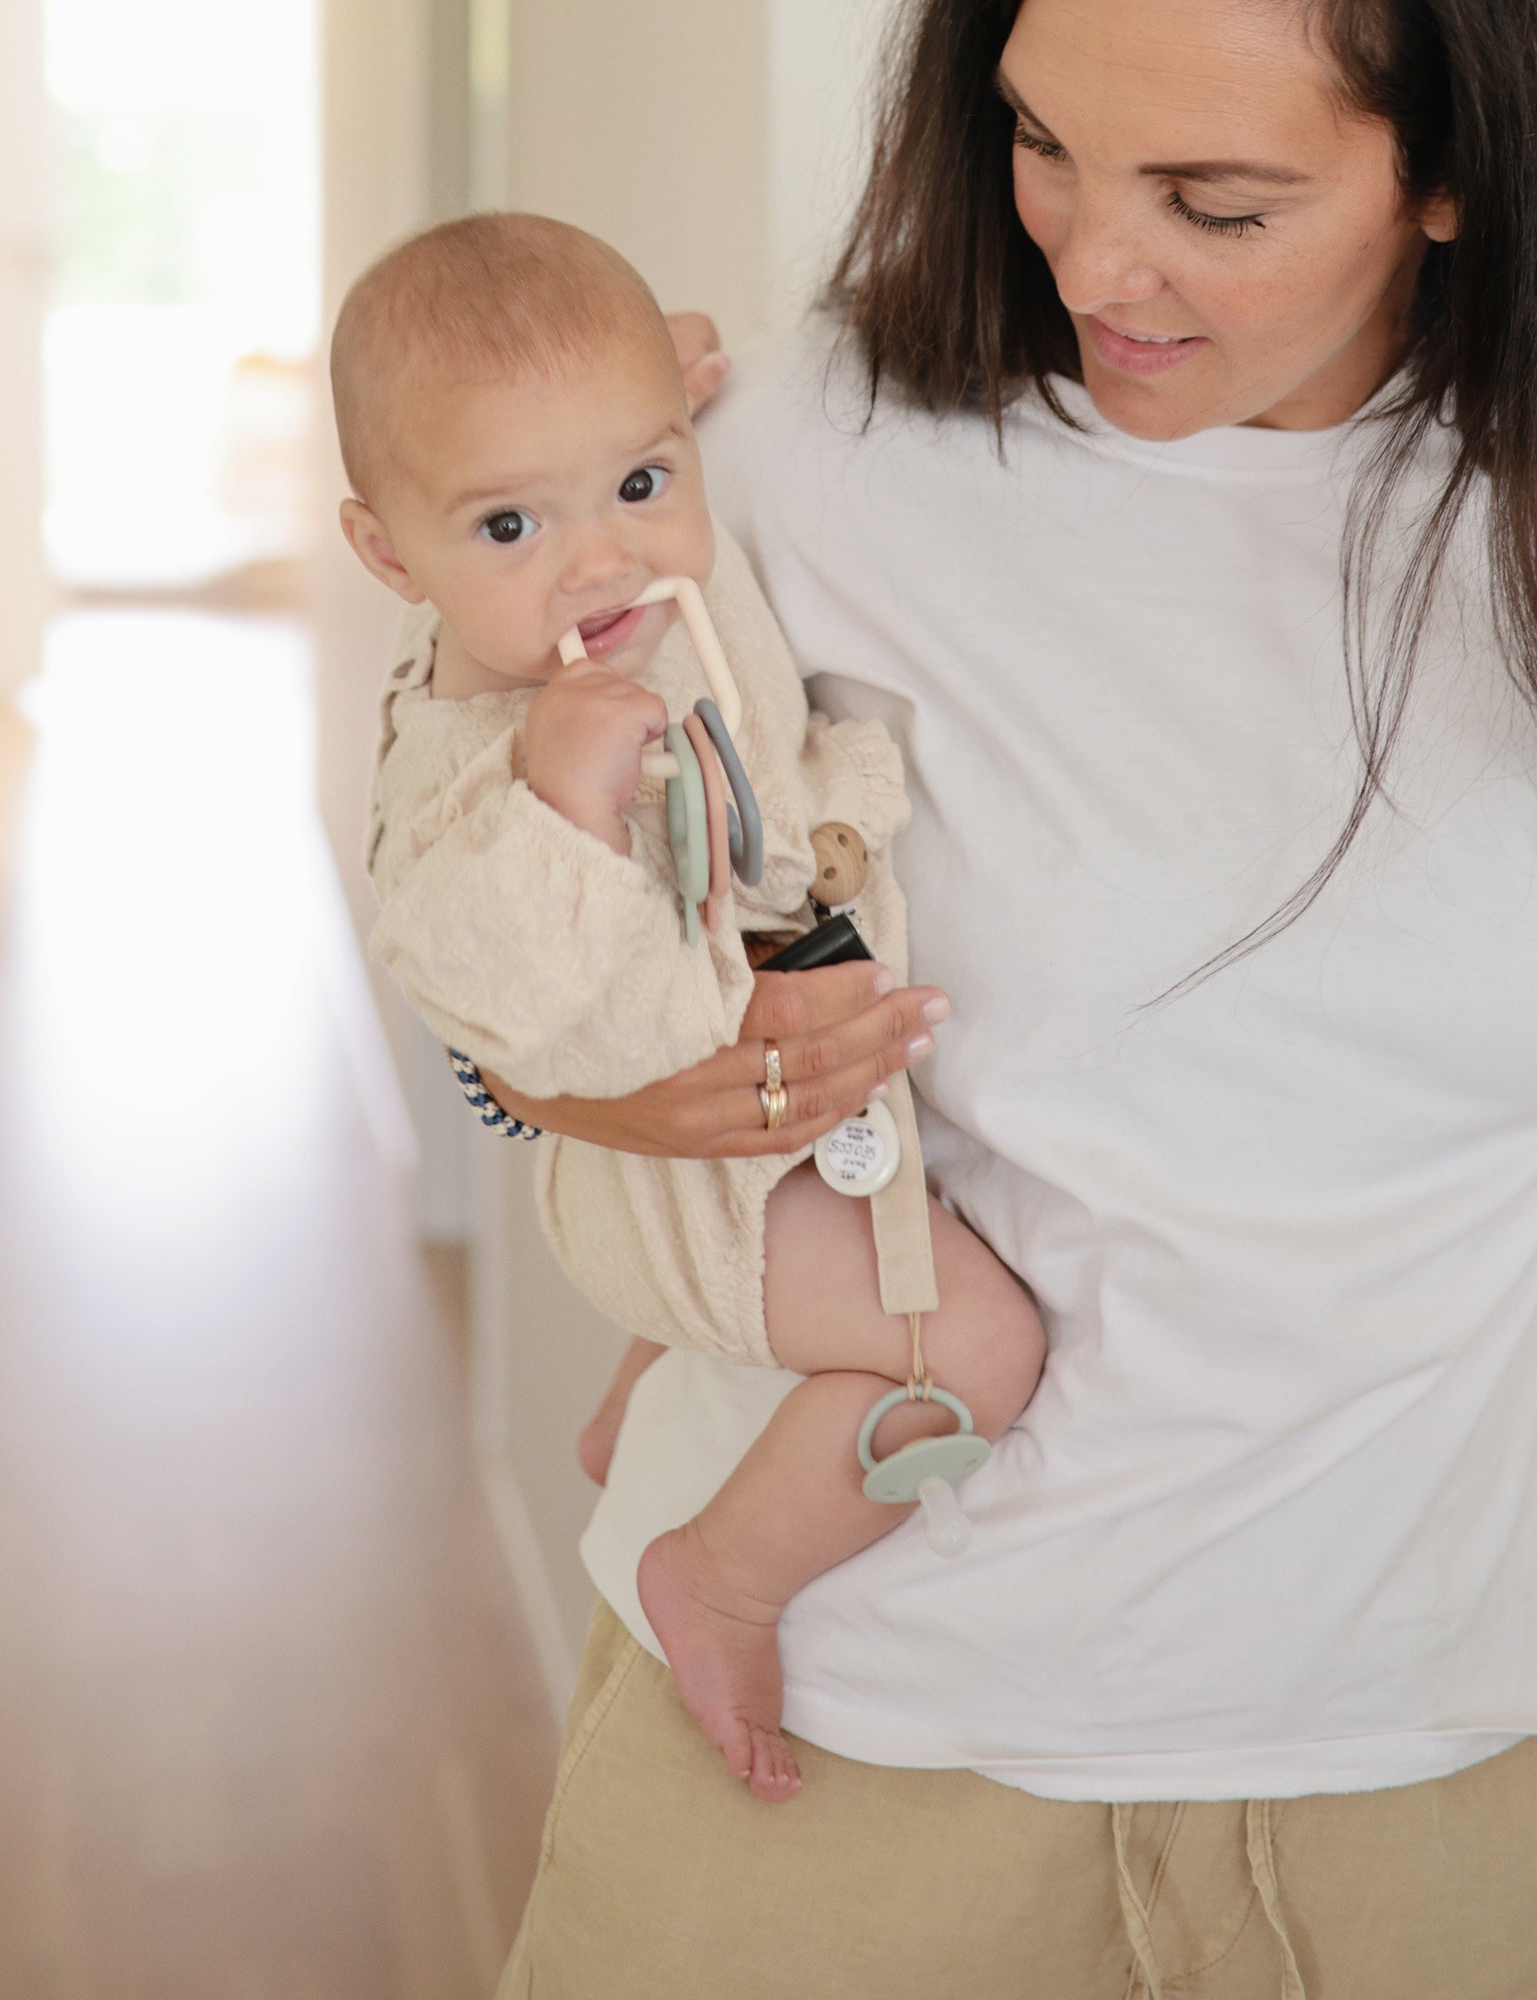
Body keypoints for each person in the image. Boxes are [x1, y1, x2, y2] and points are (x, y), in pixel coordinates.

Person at [483, 0, 1537, 1992]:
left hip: (1432, 1765)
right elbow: (482, 884)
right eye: (1041, 143)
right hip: (831, 1737)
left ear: (1460, 178)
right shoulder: (805, 451)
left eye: (1213, 205)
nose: (1089, 261)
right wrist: (616, 1110)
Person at [334, 213, 1045, 1803]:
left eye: (643, 486)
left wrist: (645, 386)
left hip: (733, 1153)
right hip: (680, 1181)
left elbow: (647, 379)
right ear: (392, 558)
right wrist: (553, 806)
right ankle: (718, 1578)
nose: (602, 561)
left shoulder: (650, 586)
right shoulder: (493, 748)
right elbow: (476, 996)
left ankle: (656, 1368)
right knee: (980, 1347)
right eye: (509, 525)